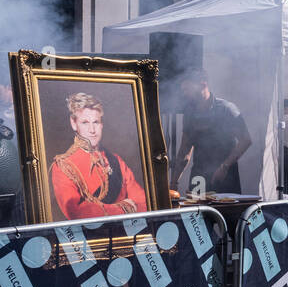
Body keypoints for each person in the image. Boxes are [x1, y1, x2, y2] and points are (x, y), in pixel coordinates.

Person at [50, 92, 148, 220]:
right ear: (74, 124)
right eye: (85, 122)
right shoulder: (64, 167)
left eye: (95, 122)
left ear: (101, 124)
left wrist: (106, 211)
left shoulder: (116, 160)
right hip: (92, 237)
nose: (92, 130)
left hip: (128, 232)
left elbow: (143, 202)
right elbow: (78, 214)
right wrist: (124, 208)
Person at [172, 69, 251, 195]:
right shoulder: (189, 114)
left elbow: (246, 140)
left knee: (225, 214)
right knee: (194, 214)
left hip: (225, 177)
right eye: (184, 90)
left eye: (188, 90)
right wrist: (173, 184)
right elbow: (184, 151)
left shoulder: (226, 109)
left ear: (203, 85)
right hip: (198, 178)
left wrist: (225, 166)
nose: (185, 94)